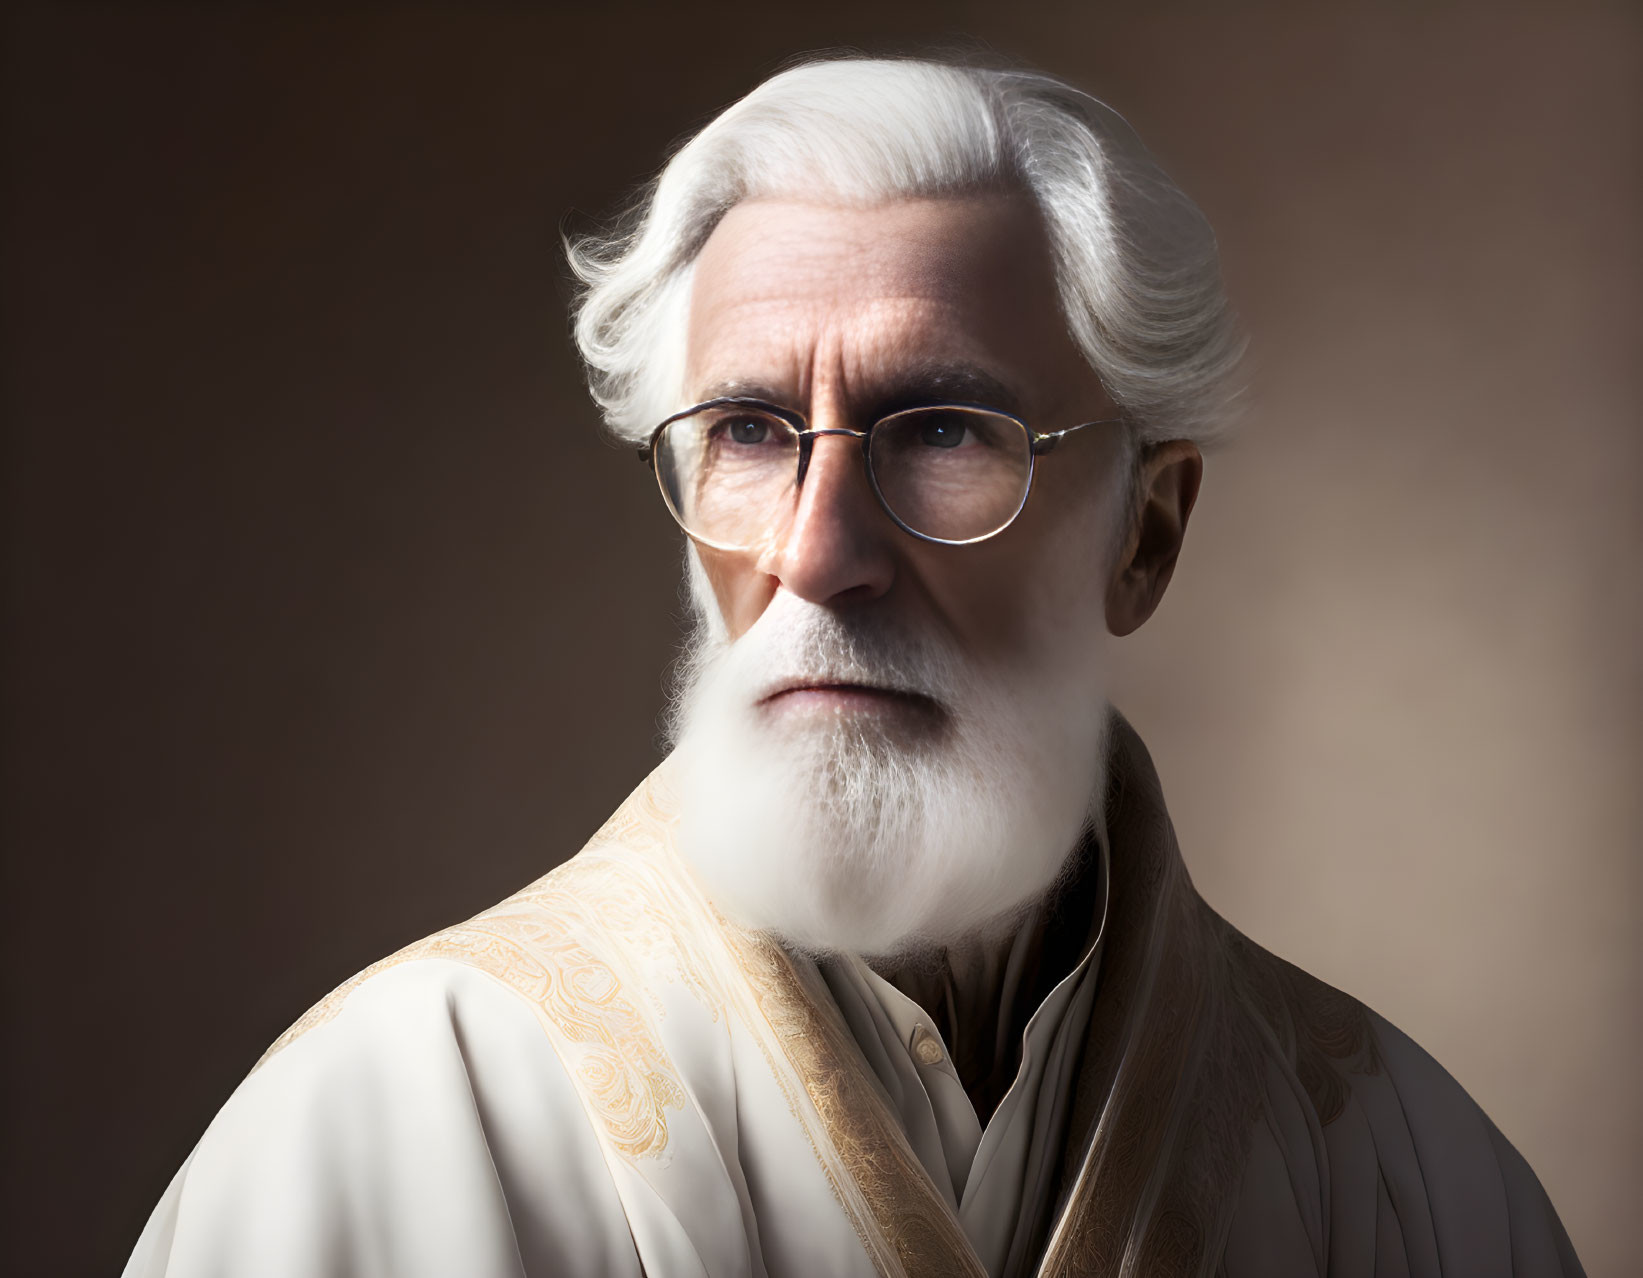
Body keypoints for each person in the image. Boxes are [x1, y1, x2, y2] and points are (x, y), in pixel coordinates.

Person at [124, 54, 1583, 1278]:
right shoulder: (388, 1133)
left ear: (1147, 534)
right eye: (750, 432)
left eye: (943, 428)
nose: (821, 552)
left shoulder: (1408, 1180)